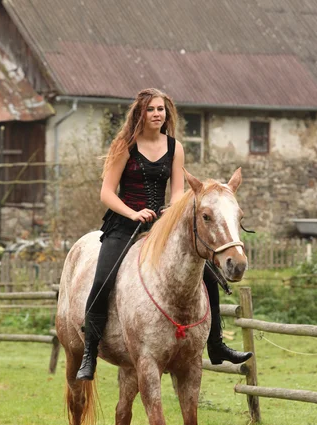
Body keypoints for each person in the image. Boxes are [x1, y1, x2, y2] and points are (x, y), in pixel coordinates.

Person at [77, 88, 252, 380]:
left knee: (208, 276)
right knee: (103, 278)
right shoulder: (124, 145)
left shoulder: (175, 147)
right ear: (140, 114)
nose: (157, 114)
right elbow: (106, 193)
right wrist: (132, 213)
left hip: (161, 225)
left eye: (161, 109)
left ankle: (217, 344)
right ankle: (90, 351)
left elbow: (178, 193)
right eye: (151, 109)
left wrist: (169, 214)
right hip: (124, 223)